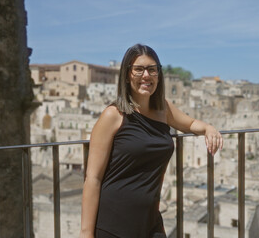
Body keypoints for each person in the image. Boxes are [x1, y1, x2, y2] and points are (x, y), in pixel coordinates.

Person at [79, 44, 223, 238]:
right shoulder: (113, 115)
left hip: (150, 221)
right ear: (127, 74)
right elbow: (93, 178)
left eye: (152, 69)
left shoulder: (163, 109)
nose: (146, 75)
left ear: (158, 74)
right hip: (114, 223)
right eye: (138, 69)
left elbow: (190, 123)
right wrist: (86, 233)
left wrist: (208, 128)